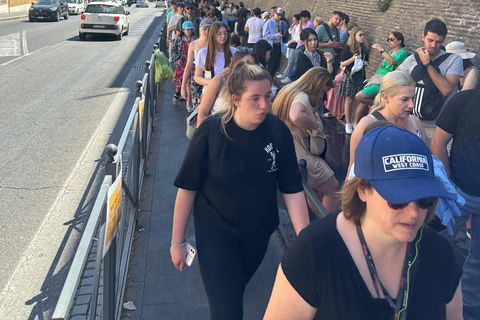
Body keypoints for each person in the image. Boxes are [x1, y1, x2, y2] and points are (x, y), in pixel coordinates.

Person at [264, 125, 463, 320]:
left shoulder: (440, 254)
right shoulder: (313, 253)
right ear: (362, 190)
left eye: (425, 199)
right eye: (398, 200)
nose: (413, 213)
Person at [171, 61, 310, 320]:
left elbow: (292, 188)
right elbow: (187, 187)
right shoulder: (211, 132)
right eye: (254, 98)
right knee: (227, 311)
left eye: (268, 96)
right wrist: (177, 241)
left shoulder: (277, 131)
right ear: (235, 99)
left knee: (232, 293)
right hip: (216, 230)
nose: (264, 105)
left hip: (257, 234)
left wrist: (305, 244)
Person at [431, 87, 480, 320]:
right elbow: (439, 142)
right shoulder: (463, 100)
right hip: (460, 192)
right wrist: (449, 187)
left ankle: (467, 307)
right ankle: (417, 293)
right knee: (429, 243)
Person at [272, 67, 341, 213]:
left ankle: (319, 224)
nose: (321, 95)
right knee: (334, 190)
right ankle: (326, 228)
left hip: (289, 153)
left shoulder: (287, 91)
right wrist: (315, 126)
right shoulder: (302, 96)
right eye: (322, 90)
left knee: (313, 191)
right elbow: (296, 116)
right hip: (302, 154)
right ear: (316, 84)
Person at [348, 71, 429, 178]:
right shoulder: (367, 124)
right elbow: (353, 169)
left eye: (413, 98)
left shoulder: (415, 122)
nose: (412, 105)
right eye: (405, 99)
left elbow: (429, 158)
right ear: (385, 97)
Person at [397, 19, 463, 121]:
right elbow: (393, 80)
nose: (433, 45)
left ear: (443, 41)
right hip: (410, 120)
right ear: (423, 37)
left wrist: (427, 64)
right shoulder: (412, 59)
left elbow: (446, 90)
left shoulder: (454, 59)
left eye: (438, 42)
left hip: (439, 123)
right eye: (430, 40)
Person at [355, 31, 408, 122]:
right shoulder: (390, 52)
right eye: (388, 39)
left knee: (360, 96)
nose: (389, 41)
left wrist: (381, 49)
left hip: (384, 83)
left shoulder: (403, 53)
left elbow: (393, 62)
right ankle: (355, 124)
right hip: (377, 80)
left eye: (392, 39)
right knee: (365, 105)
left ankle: (379, 105)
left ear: (399, 41)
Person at [197, 48, 257, 125]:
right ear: (236, 64)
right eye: (245, 64)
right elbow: (202, 112)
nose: (248, 68)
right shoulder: (219, 81)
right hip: (215, 132)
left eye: (252, 64)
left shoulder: (255, 88)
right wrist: (200, 135)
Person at [339, 26, 369, 134]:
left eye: (363, 35)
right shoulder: (348, 48)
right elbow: (342, 64)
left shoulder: (364, 48)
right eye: (360, 35)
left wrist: (364, 62)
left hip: (360, 76)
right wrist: (353, 58)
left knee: (362, 99)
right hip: (350, 75)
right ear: (354, 36)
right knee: (349, 100)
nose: (362, 37)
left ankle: (356, 122)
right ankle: (348, 123)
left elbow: (367, 61)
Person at [194, 21, 236, 94]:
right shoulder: (203, 52)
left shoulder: (234, 52)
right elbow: (197, 77)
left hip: (228, 93)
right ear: (213, 35)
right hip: (210, 93)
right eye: (219, 34)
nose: (223, 36)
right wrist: (213, 82)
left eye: (225, 33)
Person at [181, 18, 212, 110]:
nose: (207, 32)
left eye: (210, 29)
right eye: (205, 29)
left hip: (210, 79)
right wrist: (183, 86)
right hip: (197, 80)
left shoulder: (215, 44)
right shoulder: (193, 44)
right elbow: (188, 66)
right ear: (200, 30)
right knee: (197, 109)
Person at [172, 21, 195, 108]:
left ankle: (188, 104)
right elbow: (173, 50)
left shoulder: (195, 40)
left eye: (190, 29)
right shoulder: (179, 40)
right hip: (181, 65)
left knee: (188, 83)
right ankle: (177, 93)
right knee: (180, 83)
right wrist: (177, 59)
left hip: (191, 64)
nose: (189, 31)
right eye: (187, 29)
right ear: (183, 30)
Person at [262, 7, 287, 79]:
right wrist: (276, 35)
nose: (279, 17)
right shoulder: (269, 22)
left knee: (276, 64)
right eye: (278, 15)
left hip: (279, 45)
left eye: (280, 15)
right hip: (272, 46)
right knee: (271, 65)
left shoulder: (280, 22)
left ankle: (271, 80)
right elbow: (265, 35)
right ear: (274, 14)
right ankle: (269, 80)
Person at [277, 14, 301, 80]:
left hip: (294, 44)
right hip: (290, 43)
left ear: (298, 21)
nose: (293, 21)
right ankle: (286, 74)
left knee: (291, 60)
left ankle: (286, 74)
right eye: (293, 20)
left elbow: (298, 38)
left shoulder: (299, 27)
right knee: (288, 57)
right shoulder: (295, 26)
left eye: (294, 20)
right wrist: (292, 26)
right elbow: (290, 32)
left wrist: (291, 41)